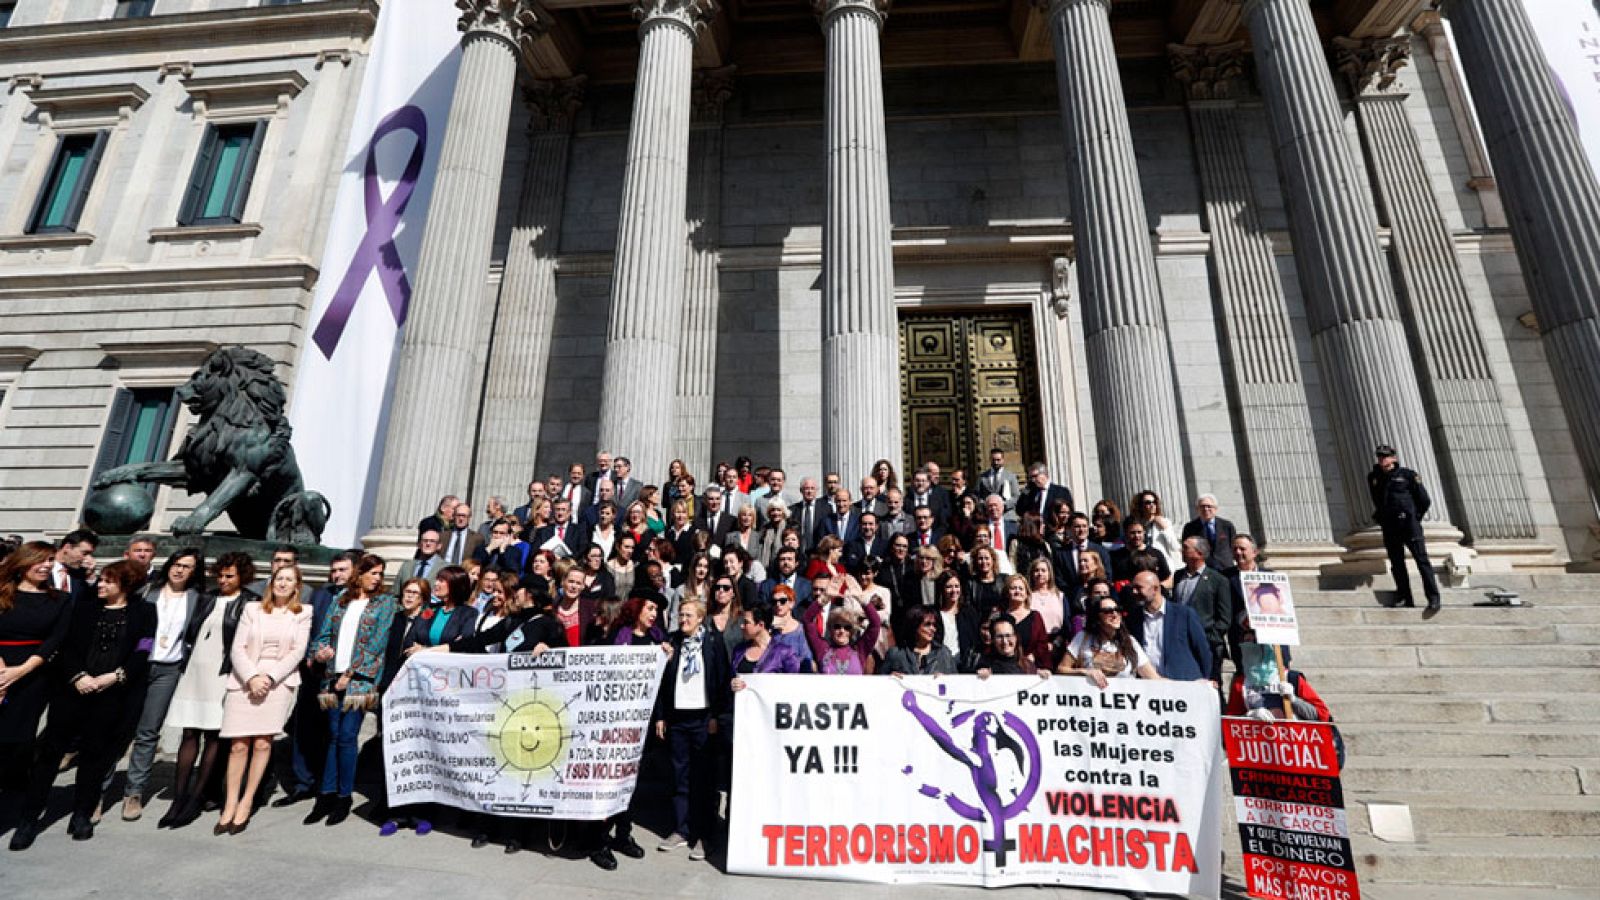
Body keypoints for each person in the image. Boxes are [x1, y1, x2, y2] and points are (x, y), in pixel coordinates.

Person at [12, 560, 156, 848]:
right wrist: (78, 676)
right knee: (50, 754)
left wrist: (114, 677)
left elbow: (145, 647)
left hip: (111, 693)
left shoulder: (145, 612)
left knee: (95, 756)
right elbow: (65, 646)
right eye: (100, 579)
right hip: (71, 690)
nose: (100, 585)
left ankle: (81, 815)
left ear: (125, 585)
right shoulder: (84, 608)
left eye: (108, 581)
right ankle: (29, 819)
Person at [161, 551, 258, 829]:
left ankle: (196, 797)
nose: (224, 580)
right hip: (194, 671)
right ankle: (178, 798)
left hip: (222, 673)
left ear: (242, 576)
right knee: (189, 733)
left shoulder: (249, 602)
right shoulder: (206, 598)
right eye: (221, 575)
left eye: (230, 576)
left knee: (214, 736)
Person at [216, 563, 313, 835]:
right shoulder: (252, 609)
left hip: (278, 683)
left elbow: (297, 652)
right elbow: (237, 648)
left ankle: (247, 802)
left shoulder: (303, 613)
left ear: (297, 586)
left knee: (262, 743)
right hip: (245, 679)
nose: (282, 583)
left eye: (289, 580)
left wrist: (269, 678)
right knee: (238, 745)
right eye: (278, 578)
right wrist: (251, 677)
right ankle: (230, 802)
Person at [106, 548, 202, 822]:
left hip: (168, 670)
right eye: (176, 563)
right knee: (119, 728)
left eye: (187, 566)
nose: (179, 570)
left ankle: (133, 792)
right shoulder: (148, 591)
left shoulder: (197, 599)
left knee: (148, 731)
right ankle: (99, 790)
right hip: (137, 666)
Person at [303, 553, 394, 827]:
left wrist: (349, 673)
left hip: (359, 681)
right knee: (332, 736)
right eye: (374, 572)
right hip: (330, 678)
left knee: (346, 735)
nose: (378, 578)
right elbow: (323, 635)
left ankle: (344, 796)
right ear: (360, 573)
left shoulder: (384, 603)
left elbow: (377, 643)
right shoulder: (340, 600)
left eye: (380, 573)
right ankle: (326, 795)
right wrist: (319, 655)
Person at [654, 598, 731, 861]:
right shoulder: (672, 642)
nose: (683, 619)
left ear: (700, 618)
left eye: (688, 615)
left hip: (703, 719)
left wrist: (715, 715)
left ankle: (705, 835)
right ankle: (682, 829)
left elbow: (722, 679)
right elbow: (663, 682)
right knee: (680, 775)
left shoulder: (712, 642)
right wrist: (662, 717)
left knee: (705, 779)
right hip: (678, 718)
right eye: (680, 614)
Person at [0, 542, 72, 814]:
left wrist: (19, 671)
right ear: (23, 562)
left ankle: (12, 789)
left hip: (33, 677)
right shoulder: (3, 592)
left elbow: (54, 640)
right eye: (39, 560)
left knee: (15, 739)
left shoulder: (59, 600)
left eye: (51, 560)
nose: (46, 565)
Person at [1369, 443, 1440, 615]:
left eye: (1386, 456)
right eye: (1380, 456)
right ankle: (1404, 597)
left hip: (1409, 525)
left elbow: (1424, 500)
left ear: (1394, 458)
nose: (1382, 459)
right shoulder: (1374, 477)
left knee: (1422, 561)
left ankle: (1433, 598)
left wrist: (1414, 517)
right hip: (1390, 526)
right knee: (1397, 564)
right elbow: (1377, 500)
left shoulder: (1408, 475)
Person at [1124, 571, 1211, 682]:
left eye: (1138, 588)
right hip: (1148, 685)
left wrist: (1205, 679)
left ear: (1155, 589)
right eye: (1133, 588)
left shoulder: (1184, 614)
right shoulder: (1133, 618)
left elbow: (1202, 649)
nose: (1134, 592)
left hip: (1181, 684)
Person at [1058, 594, 1161, 687]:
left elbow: (1152, 677)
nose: (1115, 614)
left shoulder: (1130, 641)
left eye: (1118, 610)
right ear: (1097, 617)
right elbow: (1061, 669)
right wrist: (1085, 672)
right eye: (1108, 611)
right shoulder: (1083, 638)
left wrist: (1176, 689)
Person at [1172, 536, 1232, 683]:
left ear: (1199, 553)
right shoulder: (1178, 575)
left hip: (1207, 644)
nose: (1182, 550)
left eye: (1186, 548)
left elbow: (1224, 617)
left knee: (1211, 683)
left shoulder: (1218, 580)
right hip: (1181, 642)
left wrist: (1208, 638)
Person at [801, 588, 882, 675]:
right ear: (831, 630)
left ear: (852, 632)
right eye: (837, 626)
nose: (842, 631)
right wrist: (824, 598)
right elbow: (807, 620)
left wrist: (861, 599)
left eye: (847, 627)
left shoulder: (860, 650)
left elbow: (875, 624)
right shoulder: (822, 649)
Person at [730, 603, 805, 681]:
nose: (742, 626)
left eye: (746, 622)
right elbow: (730, 679)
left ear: (761, 625)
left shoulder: (784, 652)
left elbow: (794, 683)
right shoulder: (739, 650)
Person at [880, 607, 957, 676]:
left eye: (934, 625)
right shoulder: (896, 654)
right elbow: (879, 685)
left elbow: (957, 685)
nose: (933, 629)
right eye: (927, 624)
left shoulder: (944, 654)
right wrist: (889, 679)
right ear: (914, 626)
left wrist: (946, 681)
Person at [931, 570, 980, 672]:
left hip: (964, 665)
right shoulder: (933, 613)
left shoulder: (969, 612)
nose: (954, 590)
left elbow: (976, 641)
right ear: (942, 589)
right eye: (949, 587)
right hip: (940, 663)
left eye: (957, 586)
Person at [1126, 490, 1182, 573]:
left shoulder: (1164, 522)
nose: (1152, 505)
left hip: (1162, 565)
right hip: (1141, 565)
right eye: (1148, 502)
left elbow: (1174, 546)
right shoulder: (1137, 524)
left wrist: (1165, 528)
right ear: (1141, 506)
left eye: (1154, 502)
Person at [975, 615, 1048, 678]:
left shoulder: (1028, 665)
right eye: (999, 637)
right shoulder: (985, 664)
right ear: (993, 640)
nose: (1005, 641)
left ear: (1016, 637)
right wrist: (981, 677)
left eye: (1008, 635)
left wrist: (1040, 677)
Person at [1181, 494, 1237, 571]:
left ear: (1216, 508)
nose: (1206, 509)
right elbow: (1185, 551)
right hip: (1202, 569)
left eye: (1209, 506)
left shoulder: (1227, 525)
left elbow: (1234, 546)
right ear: (1197, 509)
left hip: (1226, 568)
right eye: (1202, 506)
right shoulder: (1189, 527)